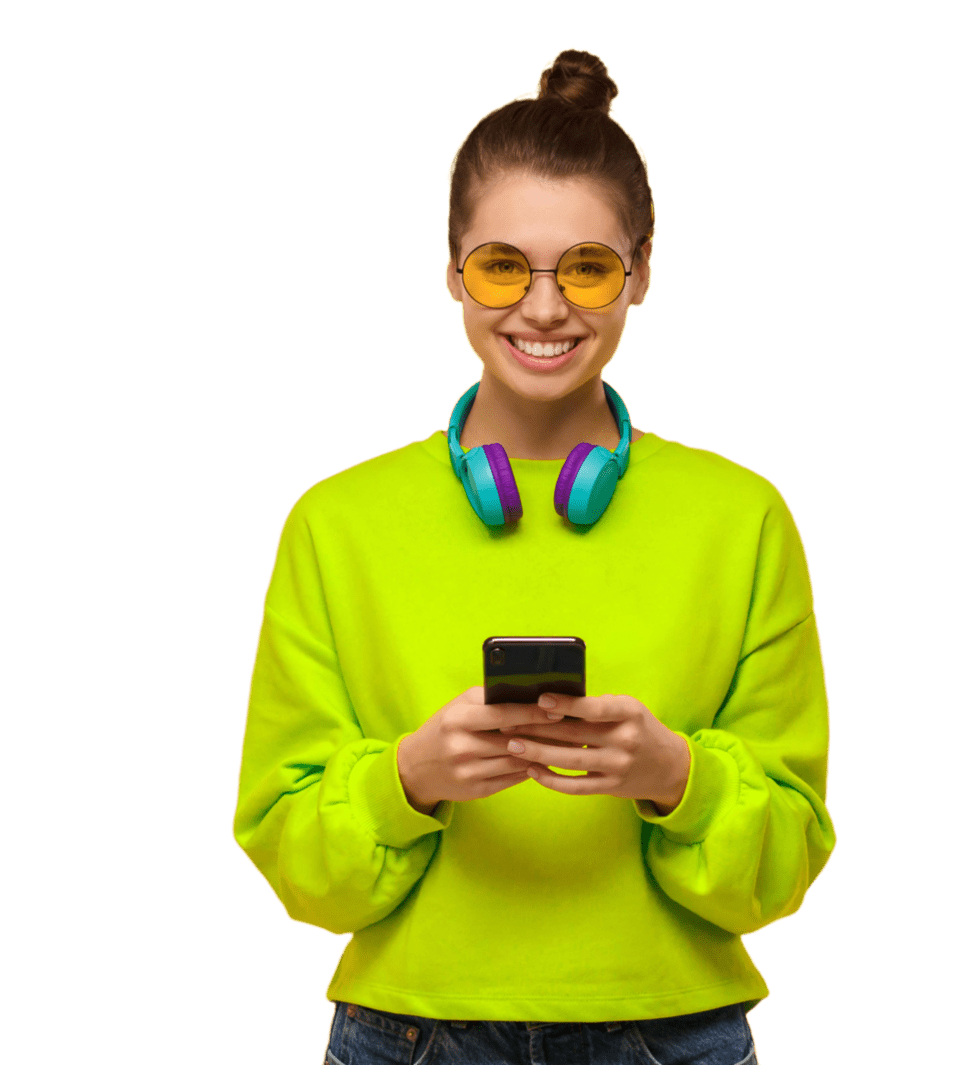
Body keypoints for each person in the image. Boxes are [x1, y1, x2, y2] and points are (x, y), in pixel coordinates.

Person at [231, 48, 836, 1064]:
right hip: (409, 1035)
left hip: (671, 1033)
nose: (544, 308)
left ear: (640, 274)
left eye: (588, 267)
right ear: (451, 273)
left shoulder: (745, 517)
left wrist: (675, 776)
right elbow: (293, 868)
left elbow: (783, 868)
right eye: (503, 265)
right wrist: (408, 782)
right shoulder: (333, 523)